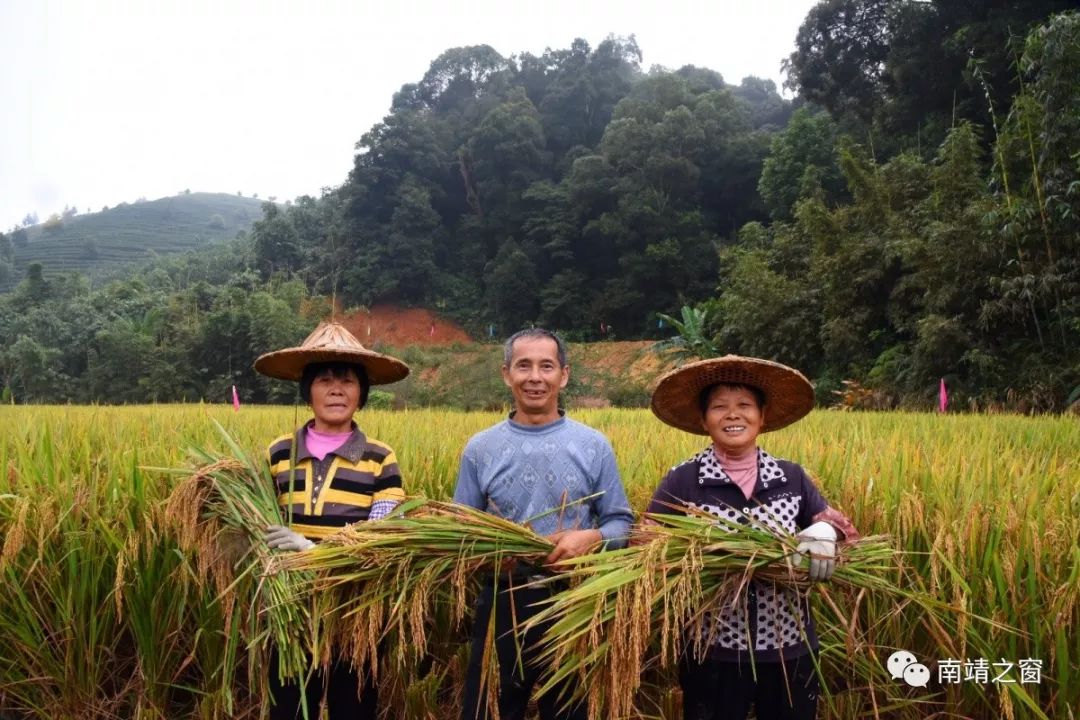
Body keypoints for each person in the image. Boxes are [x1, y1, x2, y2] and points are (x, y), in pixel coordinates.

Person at [645, 355, 859, 720]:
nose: (733, 415)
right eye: (719, 407)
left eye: (744, 405)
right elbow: (645, 543)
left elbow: (846, 532)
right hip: (711, 649)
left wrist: (828, 532)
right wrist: (688, 558)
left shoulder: (791, 478)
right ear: (703, 420)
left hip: (789, 647)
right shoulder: (683, 480)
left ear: (762, 416)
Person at [453, 328, 634, 720]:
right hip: (502, 597)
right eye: (524, 366)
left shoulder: (593, 445)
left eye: (546, 366)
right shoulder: (480, 448)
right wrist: (485, 556)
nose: (535, 377)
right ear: (506, 374)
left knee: (569, 709)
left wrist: (592, 537)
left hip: (573, 599)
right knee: (491, 708)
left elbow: (622, 522)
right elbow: (460, 529)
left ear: (563, 375)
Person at [252, 320, 410, 720]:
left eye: (347, 380)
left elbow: (381, 533)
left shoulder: (380, 457)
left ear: (362, 393)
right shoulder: (278, 453)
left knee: (353, 709)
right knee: (288, 708)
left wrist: (313, 551)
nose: (336, 389)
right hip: (292, 612)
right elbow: (257, 524)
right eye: (324, 379)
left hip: (356, 611)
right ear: (308, 391)